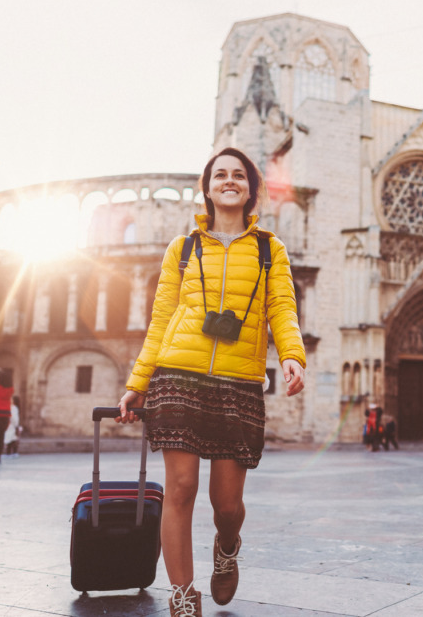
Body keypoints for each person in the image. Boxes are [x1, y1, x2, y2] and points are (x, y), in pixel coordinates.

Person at [117, 147, 306, 617]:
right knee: (180, 488)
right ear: (206, 188)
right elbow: (161, 320)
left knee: (227, 503)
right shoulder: (181, 249)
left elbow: (281, 307)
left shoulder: (269, 248)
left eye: (238, 175)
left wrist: (291, 355)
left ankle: (227, 545)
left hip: (239, 381)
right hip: (178, 375)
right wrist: (138, 380)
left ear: (250, 188)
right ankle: (183, 596)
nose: (228, 181)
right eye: (219, 174)